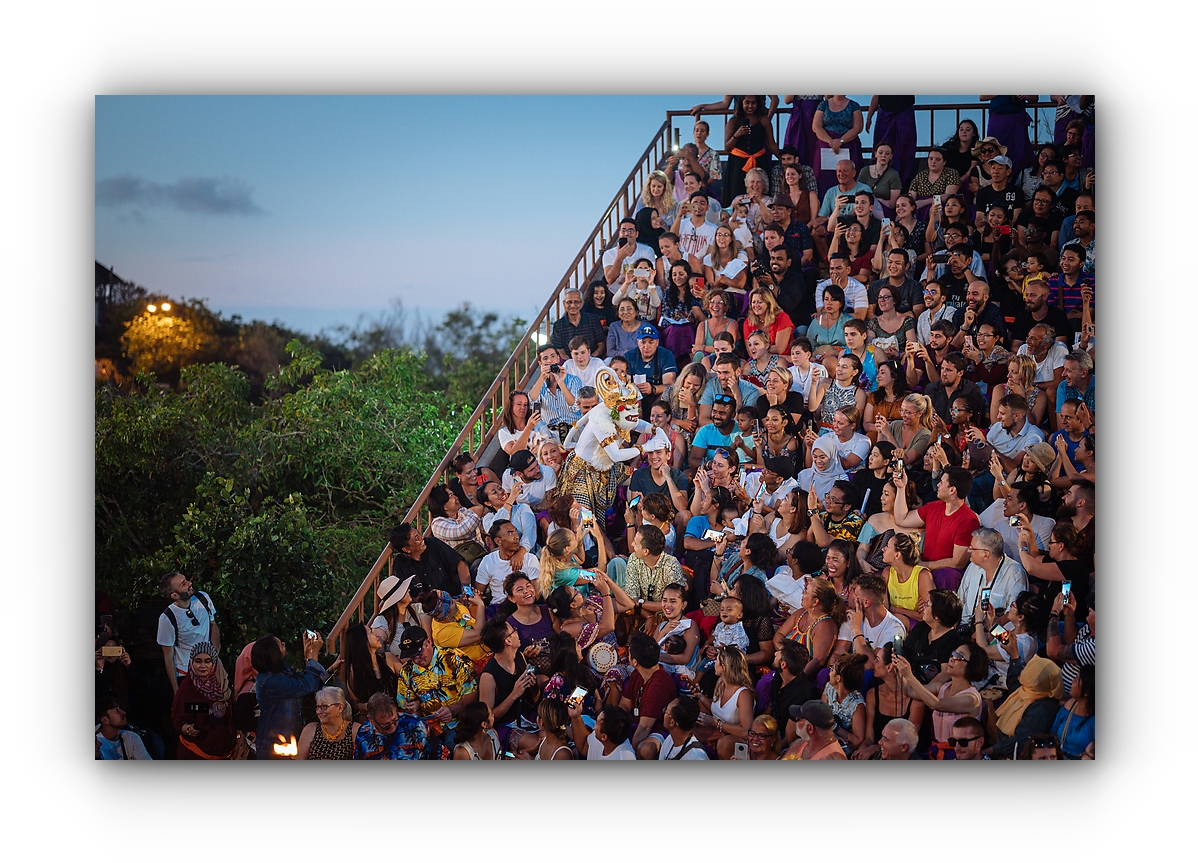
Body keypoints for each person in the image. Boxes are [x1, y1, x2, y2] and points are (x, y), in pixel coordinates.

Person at [893, 642, 987, 752]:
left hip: (958, 753)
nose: (952, 659)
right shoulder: (942, 687)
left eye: (958, 656)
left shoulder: (971, 698)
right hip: (937, 750)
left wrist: (909, 675)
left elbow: (936, 704)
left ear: (972, 667)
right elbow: (910, 691)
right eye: (953, 654)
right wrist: (899, 666)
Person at [892, 465, 978, 581]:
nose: (937, 485)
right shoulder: (933, 507)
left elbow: (957, 563)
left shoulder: (968, 520)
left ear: (952, 490)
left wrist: (922, 565)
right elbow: (901, 519)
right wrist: (901, 488)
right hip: (924, 568)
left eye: (941, 483)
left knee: (947, 575)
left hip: (945, 576)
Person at [393, 624, 479, 741]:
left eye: (419, 654)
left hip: (458, 723)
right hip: (427, 729)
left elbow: (473, 692)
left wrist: (452, 709)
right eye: (412, 657)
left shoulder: (454, 658)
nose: (417, 660)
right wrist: (416, 707)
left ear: (429, 642)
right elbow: (404, 705)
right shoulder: (407, 671)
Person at [252, 630, 327, 759]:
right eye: (280, 644)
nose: (284, 644)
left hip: (286, 742)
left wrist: (309, 655)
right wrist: (314, 654)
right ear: (274, 653)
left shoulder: (281, 671)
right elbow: (306, 686)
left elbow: (308, 687)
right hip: (274, 746)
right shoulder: (270, 680)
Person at [169, 640, 235, 759]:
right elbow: (178, 720)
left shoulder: (223, 686)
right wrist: (188, 729)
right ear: (191, 663)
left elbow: (233, 714)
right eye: (198, 661)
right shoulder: (186, 690)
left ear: (214, 663)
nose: (203, 665)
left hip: (225, 755)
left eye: (207, 661)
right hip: (195, 754)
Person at [157, 571, 219, 694]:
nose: (190, 583)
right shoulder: (167, 618)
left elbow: (213, 623)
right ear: (175, 595)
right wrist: (176, 690)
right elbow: (168, 657)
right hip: (186, 674)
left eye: (186, 580)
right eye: (183, 584)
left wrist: (216, 650)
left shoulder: (203, 598)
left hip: (209, 671)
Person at [477, 615, 538, 742]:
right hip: (505, 726)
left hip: (526, 717)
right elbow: (486, 719)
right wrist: (514, 694)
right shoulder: (488, 676)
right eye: (514, 631)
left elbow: (534, 699)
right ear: (508, 641)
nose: (517, 632)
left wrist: (533, 686)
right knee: (535, 742)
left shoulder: (520, 657)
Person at [992, 655, 1064, 758]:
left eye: (1029, 669)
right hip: (1001, 743)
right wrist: (1015, 658)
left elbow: (1020, 740)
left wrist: (989, 751)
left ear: (1035, 680)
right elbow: (1014, 685)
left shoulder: (1042, 710)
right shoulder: (1029, 691)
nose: (1024, 669)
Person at [956, 527, 1030, 627]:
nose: (968, 550)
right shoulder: (973, 566)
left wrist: (982, 630)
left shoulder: (1015, 573)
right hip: (965, 627)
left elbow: (1013, 616)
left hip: (994, 632)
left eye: (972, 548)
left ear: (986, 554)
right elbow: (960, 600)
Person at [693, 645, 756, 759]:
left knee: (724, 743)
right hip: (718, 732)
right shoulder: (721, 683)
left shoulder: (743, 694)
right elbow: (716, 708)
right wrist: (700, 696)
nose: (714, 664)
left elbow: (746, 731)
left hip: (734, 739)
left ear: (723, 667)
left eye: (716, 661)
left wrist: (716, 723)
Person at [721, 95, 779, 206]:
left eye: (753, 103)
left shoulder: (764, 120)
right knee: (737, 194)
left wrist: (783, 159)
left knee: (760, 192)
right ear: (741, 104)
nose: (750, 106)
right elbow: (727, 147)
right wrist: (736, 135)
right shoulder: (733, 121)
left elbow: (772, 145)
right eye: (747, 102)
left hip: (759, 162)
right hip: (737, 164)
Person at [387, 522, 470, 597]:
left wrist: (466, 592)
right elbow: (403, 595)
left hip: (454, 598)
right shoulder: (400, 564)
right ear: (406, 549)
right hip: (425, 606)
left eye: (419, 534)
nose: (422, 537)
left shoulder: (433, 544)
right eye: (416, 538)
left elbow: (460, 563)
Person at [342, 623, 400, 716]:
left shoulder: (388, 658)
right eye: (371, 632)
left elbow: (409, 679)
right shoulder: (354, 670)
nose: (377, 635)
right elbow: (354, 703)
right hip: (373, 717)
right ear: (362, 641)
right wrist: (367, 706)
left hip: (397, 713)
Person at [354, 691, 432, 760]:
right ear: (371, 720)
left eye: (395, 721)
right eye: (386, 725)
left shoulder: (417, 725)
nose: (392, 727)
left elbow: (437, 755)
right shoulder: (363, 735)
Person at [812, 96, 864, 196]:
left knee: (847, 175)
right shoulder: (823, 104)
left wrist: (841, 141)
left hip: (848, 144)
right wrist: (831, 142)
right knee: (823, 179)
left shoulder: (854, 105)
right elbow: (816, 127)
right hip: (826, 146)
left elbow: (858, 127)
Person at [297, 686, 359, 761]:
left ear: (340, 708)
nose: (319, 711)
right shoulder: (310, 730)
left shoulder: (355, 730)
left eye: (324, 706)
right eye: (318, 707)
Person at [1051, 664, 1095, 760]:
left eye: (1076, 680)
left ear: (1086, 692)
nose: (1072, 681)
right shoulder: (1069, 705)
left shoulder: (1094, 721)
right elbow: (1053, 732)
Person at [782, 700, 847, 760]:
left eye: (799, 719)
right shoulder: (800, 744)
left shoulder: (833, 759)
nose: (796, 719)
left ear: (810, 728)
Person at [570, 703, 638, 760]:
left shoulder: (623, 758)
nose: (594, 727)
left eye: (597, 723)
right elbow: (584, 747)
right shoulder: (604, 737)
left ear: (604, 737)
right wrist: (576, 717)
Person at [602, 217, 657, 288]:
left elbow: (650, 273)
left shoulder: (647, 250)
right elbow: (610, 279)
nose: (626, 233)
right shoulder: (609, 254)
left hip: (640, 289)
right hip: (618, 291)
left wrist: (629, 277)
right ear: (619, 233)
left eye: (630, 231)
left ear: (637, 234)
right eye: (623, 230)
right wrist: (619, 258)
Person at [551, 289, 606, 357]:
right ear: (564, 303)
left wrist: (591, 358)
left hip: (592, 359)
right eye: (569, 302)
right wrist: (572, 361)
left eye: (576, 302)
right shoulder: (558, 325)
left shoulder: (593, 320)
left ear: (581, 303)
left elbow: (601, 344)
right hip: (570, 361)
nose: (572, 305)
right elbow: (560, 351)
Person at [497, 390, 548, 458]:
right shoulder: (504, 432)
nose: (523, 408)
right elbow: (513, 452)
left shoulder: (538, 423)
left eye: (525, 404)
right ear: (511, 406)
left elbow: (552, 441)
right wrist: (528, 428)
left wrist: (541, 446)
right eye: (519, 404)